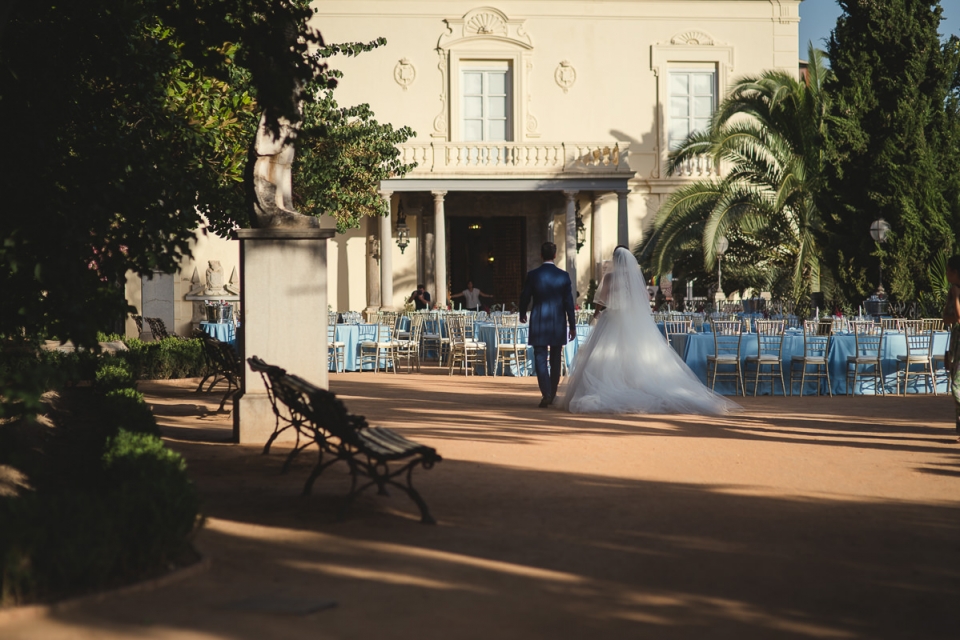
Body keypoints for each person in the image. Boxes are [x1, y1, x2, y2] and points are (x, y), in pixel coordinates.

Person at [556, 246, 740, 415]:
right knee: (636, 356)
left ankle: (618, 386)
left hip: (611, 319)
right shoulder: (633, 278)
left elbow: (602, 300)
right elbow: (644, 298)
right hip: (632, 320)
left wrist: (596, 314)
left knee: (606, 357)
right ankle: (633, 385)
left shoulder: (610, 277)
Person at [520, 242, 576, 408]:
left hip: (539, 319)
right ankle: (552, 391)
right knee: (556, 357)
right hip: (558, 320)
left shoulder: (533, 275)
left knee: (540, 357)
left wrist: (522, 312)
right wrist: (572, 325)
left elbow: (525, 296)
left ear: (541, 255)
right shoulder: (564, 276)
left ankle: (546, 393)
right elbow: (568, 303)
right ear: (555, 255)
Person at [942, 255, 960, 442]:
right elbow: (946, 319)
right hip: (956, 342)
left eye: (948, 270)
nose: (946, 274)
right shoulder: (952, 291)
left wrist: (956, 296)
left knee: (957, 385)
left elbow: (959, 316)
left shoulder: (955, 292)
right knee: (955, 382)